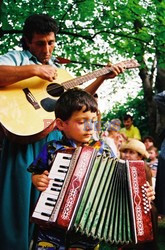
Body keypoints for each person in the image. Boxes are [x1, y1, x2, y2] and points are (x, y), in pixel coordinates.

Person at [0, 14, 125, 250]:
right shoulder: (15, 58)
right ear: (27, 41)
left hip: (56, 139)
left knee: (51, 203)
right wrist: (34, 69)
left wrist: (102, 78)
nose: (47, 49)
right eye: (39, 43)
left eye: (51, 42)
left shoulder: (60, 71)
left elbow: (77, 103)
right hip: (23, 137)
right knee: (17, 205)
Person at [28, 89, 155, 250]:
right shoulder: (51, 148)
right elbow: (36, 171)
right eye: (82, 122)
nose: (90, 128)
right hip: (51, 226)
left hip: (89, 228)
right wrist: (37, 179)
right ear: (61, 124)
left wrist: (143, 192)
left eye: (93, 121)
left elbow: (120, 179)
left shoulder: (103, 150)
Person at [120, 139, 158, 250]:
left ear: (140, 156)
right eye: (125, 152)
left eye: (131, 153)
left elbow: (143, 195)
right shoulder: (123, 165)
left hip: (142, 205)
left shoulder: (143, 168)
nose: (127, 155)